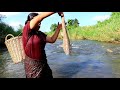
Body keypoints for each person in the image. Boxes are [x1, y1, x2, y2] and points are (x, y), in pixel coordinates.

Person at [22, 12, 64, 78]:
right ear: (30, 21)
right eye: (37, 21)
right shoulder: (27, 30)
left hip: (44, 65)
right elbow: (39, 18)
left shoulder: (40, 34)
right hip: (32, 69)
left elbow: (52, 40)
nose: (39, 23)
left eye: (40, 22)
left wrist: (58, 29)